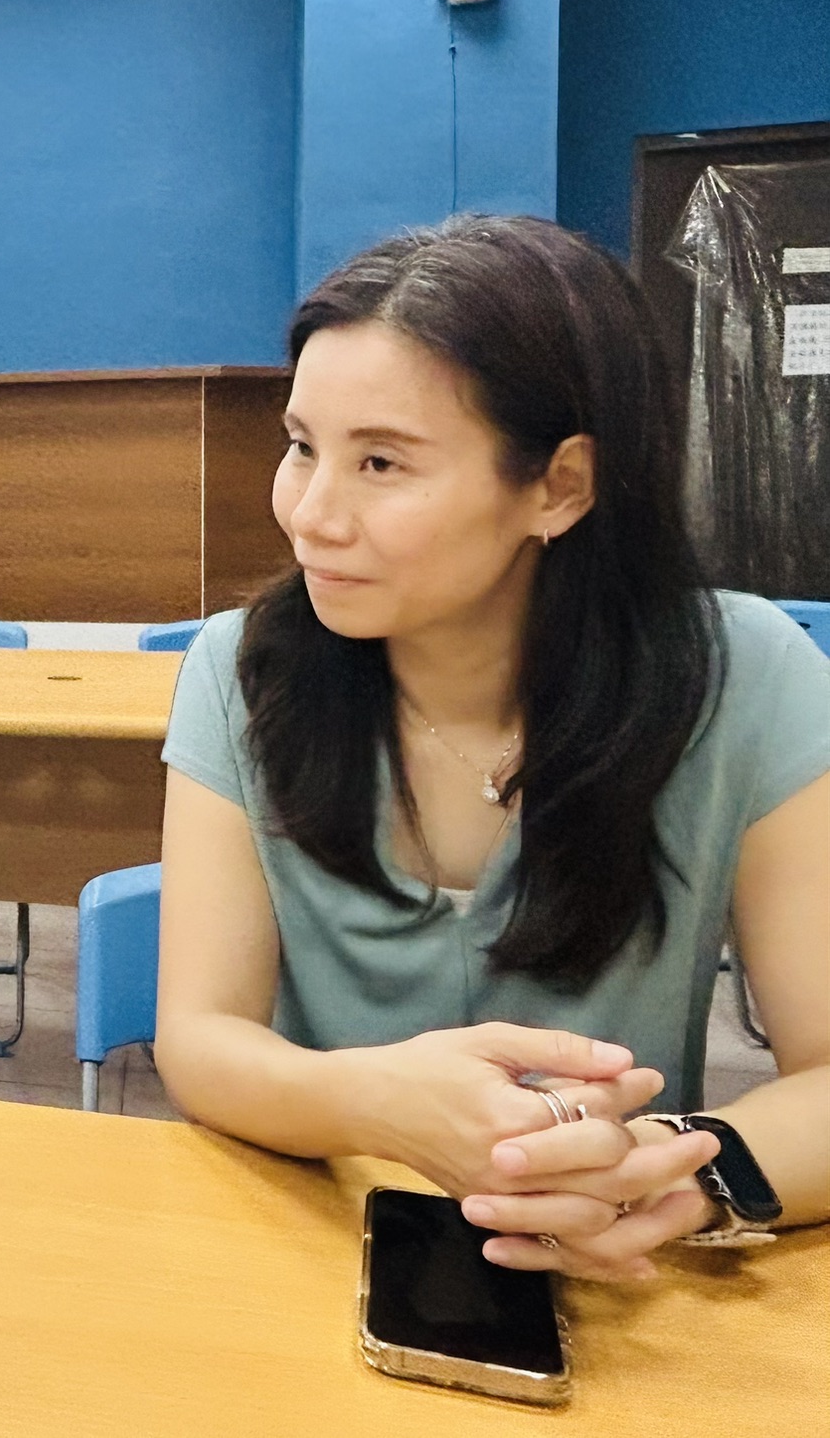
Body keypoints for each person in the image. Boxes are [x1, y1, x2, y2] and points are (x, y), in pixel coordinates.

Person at [155, 216, 829, 1282]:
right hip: (314, 1247)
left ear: (560, 485)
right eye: (300, 446)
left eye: (381, 461)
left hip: (622, 1285)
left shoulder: (746, 675)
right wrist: (374, 1099)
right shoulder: (241, 671)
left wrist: (668, 1173)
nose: (311, 514)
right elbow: (199, 1037)